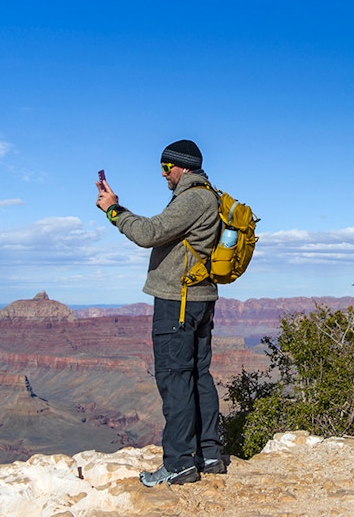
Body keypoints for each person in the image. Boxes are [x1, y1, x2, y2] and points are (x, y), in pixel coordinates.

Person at [95, 139, 227, 486]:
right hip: (199, 299)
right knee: (198, 376)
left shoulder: (193, 198)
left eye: (165, 168)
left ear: (180, 167)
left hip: (178, 302)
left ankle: (180, 463)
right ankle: (209, 454)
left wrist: (114, 210)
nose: (164, 175)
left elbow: (149, 233)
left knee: (175, 380)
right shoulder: (209, 195)